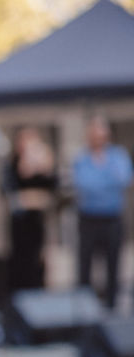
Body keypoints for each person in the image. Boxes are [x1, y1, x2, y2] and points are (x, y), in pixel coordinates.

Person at [73, 115, 133, 310]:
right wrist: (107, 181)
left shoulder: (118, 155)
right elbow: (83, 184)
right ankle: (84, 308)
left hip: (112, 218)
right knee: (85, 266)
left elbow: (124, 179)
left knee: (113, 265)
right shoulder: (82, 158)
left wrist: (99, 181)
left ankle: (111, 307)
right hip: (89, 218)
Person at [8, 127, 57, 291]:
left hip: (37, 220)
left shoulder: (44, 166)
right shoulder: (14, 165)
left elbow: (50, 191)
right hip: (20, 222)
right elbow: (15, 195)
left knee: (39, 258)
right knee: (21, 259)